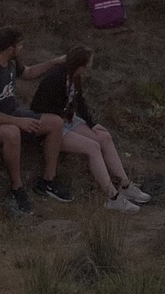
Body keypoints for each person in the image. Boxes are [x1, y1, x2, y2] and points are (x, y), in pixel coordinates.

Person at [0, 26, 73, 216]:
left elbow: (28, 73)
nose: (21, 48)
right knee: (12, 132)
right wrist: (18, 122)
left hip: (10, 114)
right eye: (19, 45)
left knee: (55, 123)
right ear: (10, 48)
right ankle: (17, 188)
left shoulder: (11, 63)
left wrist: (53, 62)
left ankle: (48, 181)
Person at [31, 46, 153, 213]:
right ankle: (113, 197)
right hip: (54, 126)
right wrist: (61, 115)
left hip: (68, 119)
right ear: (80, 64)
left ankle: (125, 185)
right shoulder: (55, 77)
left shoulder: (75, 77)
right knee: (93, 147)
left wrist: (91, 123)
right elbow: (37, 107)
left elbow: (80, 101)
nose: (89, 67)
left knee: (104, 137)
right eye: (88, 63)